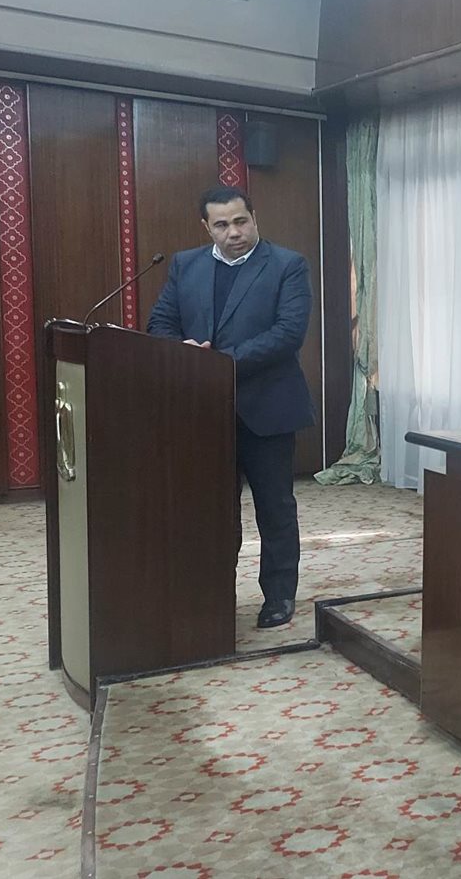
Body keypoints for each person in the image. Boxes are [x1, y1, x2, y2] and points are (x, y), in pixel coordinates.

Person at [147, 186, 314, 628]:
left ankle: (279, 596)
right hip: (203, 414)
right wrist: (183, 351)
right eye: (222, 225)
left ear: (254, 217)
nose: (233, 232)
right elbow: (160, 322)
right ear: (207, 227)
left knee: (275, 509)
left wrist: (220, 363)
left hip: (267, 409)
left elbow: (288, 333)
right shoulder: (185, 265)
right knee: (212, 512)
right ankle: (214, 594)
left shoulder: (287, 265)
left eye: (241, 221)